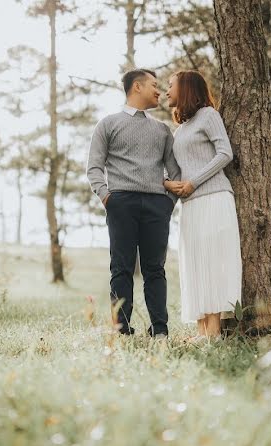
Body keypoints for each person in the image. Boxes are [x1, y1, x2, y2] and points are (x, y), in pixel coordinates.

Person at [86, 68, 181, 339]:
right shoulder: (108, 123)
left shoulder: (162, 130)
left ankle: (160, 330)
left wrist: (168, 204)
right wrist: (107, 197)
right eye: (154, 85)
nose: (159, 91)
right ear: (136, 87)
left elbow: (174, 172)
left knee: (155, 269)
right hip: (121, 203)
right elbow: (94, 167)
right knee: (121, 267)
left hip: (156, 206)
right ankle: (121, 329)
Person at [164, 70, 242, 342]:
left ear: (185, 88)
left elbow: (225, 153)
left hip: (214, 198)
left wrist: (193, 182)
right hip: (191, 204)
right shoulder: (181, 128)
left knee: (213, 261)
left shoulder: (209, 115)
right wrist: (168, 184)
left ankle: (215, 332)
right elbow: (180, 169)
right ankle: (202, 332)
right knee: (195, 264)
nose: (166, 91)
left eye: (170, 85)